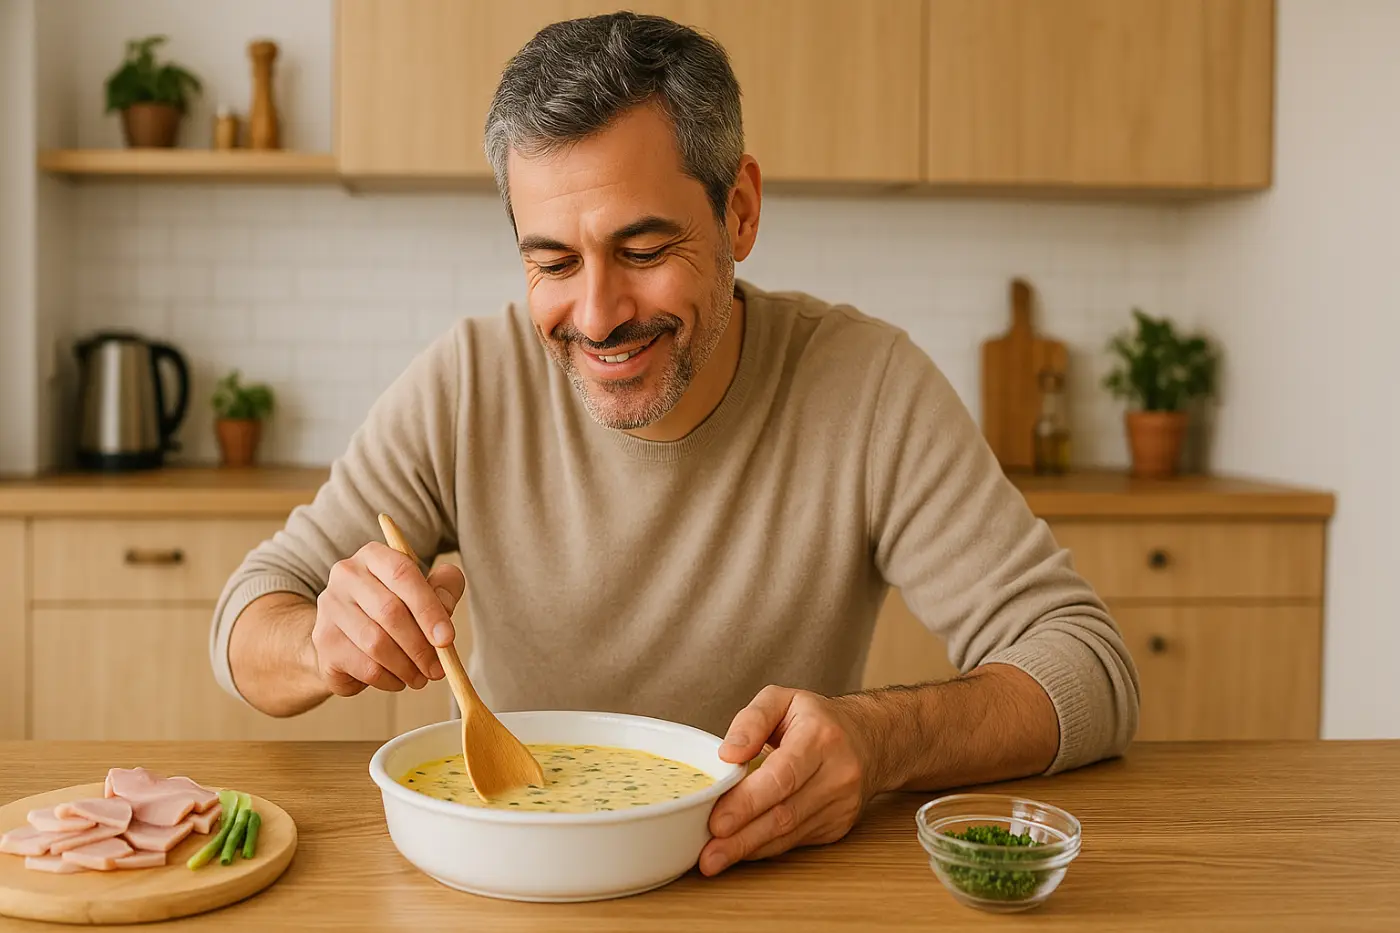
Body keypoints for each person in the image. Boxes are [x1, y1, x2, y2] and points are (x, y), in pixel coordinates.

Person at [211, 12, 1139, 878]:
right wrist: (324, 643)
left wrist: (884, 738)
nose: (598, 315)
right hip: (524, 878)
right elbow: (249, 618)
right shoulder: (466, 382)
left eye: (645, 250)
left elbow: (1087, 665)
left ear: (738, 210)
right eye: (553, 262)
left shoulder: (867, 384)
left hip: (774, 880)